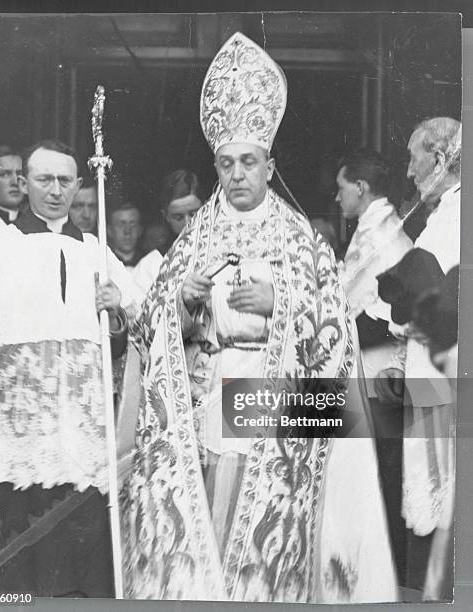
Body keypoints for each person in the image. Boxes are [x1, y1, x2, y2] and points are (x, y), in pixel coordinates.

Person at [120, 32, 396, 603]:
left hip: (275, 407)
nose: (237, 174)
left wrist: (283, 305)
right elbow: (148, 330)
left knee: (264, 535)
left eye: (248, 162)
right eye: (226, 163)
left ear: (269, 166)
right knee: (208, 528)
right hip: (207, 396)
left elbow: (338, 332)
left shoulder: (302, 239)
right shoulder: (195, 235)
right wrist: (182, 306)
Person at [0, 139, 136, 597]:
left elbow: (126, 338)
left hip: (80, 434)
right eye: (44, 179)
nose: (55, 190)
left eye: (66, 180)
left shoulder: (98, 251)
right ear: (25, 183)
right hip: (16, 433)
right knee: (16, 569)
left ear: (80, 185)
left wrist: (117, 309)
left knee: (76, 564)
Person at [375, 117, 460, 600]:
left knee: (439, 501)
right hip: (428, 376)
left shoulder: (456, 215)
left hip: (444, 382)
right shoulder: (443, 214)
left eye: (414, 158)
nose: (408, 172)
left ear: (441, 160)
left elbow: (434, 301)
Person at [335, 148, 413, 586]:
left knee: (382, 471)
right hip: (368, 366)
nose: (337, 198)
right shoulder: (373, 227)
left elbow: (379, 312)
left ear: (361, 189)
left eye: (341, 188)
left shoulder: (381, 235)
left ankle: (384, 577)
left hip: (381, 367)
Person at [131, 169, 204, 305]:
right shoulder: (150, 265)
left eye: (193, 214)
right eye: (178, 217)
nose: (188, 223)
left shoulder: (222, 250)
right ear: (166, 216)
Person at [107, 201, 144, 269]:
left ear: (140, 230)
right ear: (109, 230)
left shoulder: (149, 261)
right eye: (121, 225)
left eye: (132, 224)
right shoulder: (104, 261)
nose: (127, 231)